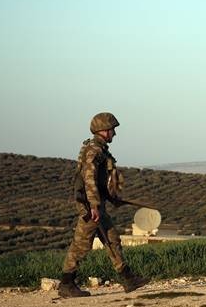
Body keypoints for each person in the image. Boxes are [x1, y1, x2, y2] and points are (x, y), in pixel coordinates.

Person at [58, 112, 149, 297]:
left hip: (97, 205)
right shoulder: (94, 151)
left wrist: (111, 198)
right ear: (103, 131)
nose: (114, 133)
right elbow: (89, 179)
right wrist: (93, 205)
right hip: (91, 207)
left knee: (112, 240)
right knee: (81, 245)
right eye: (112, 130)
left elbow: (100, 181)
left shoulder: (100, 150)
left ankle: (128, 279)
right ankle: (66, 284)